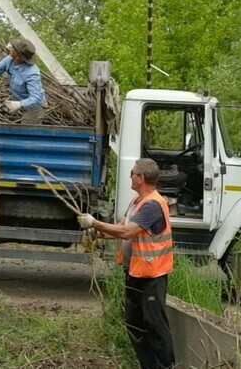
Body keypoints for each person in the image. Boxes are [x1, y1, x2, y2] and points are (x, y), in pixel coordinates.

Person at [77, 158, 176, 369]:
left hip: (152, 276)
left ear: (141, 178)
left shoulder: (152, 204)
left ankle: (165, 367)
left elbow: (127, 232)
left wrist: (94, 222)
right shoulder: (136, 202)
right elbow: (120, 229)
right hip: (135, 273)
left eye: (132, 173)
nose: (130, 175)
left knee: (155, 327)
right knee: (135, 326)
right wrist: (98, 233)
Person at [0, 37, 47, 124]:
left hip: (35, 107)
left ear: (18, 56)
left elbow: (36, 98)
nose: (11, 48)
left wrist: (19, 104)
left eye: (13, 48)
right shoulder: (10, 60)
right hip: (19, 100)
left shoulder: (32, 73)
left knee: (27, 131)